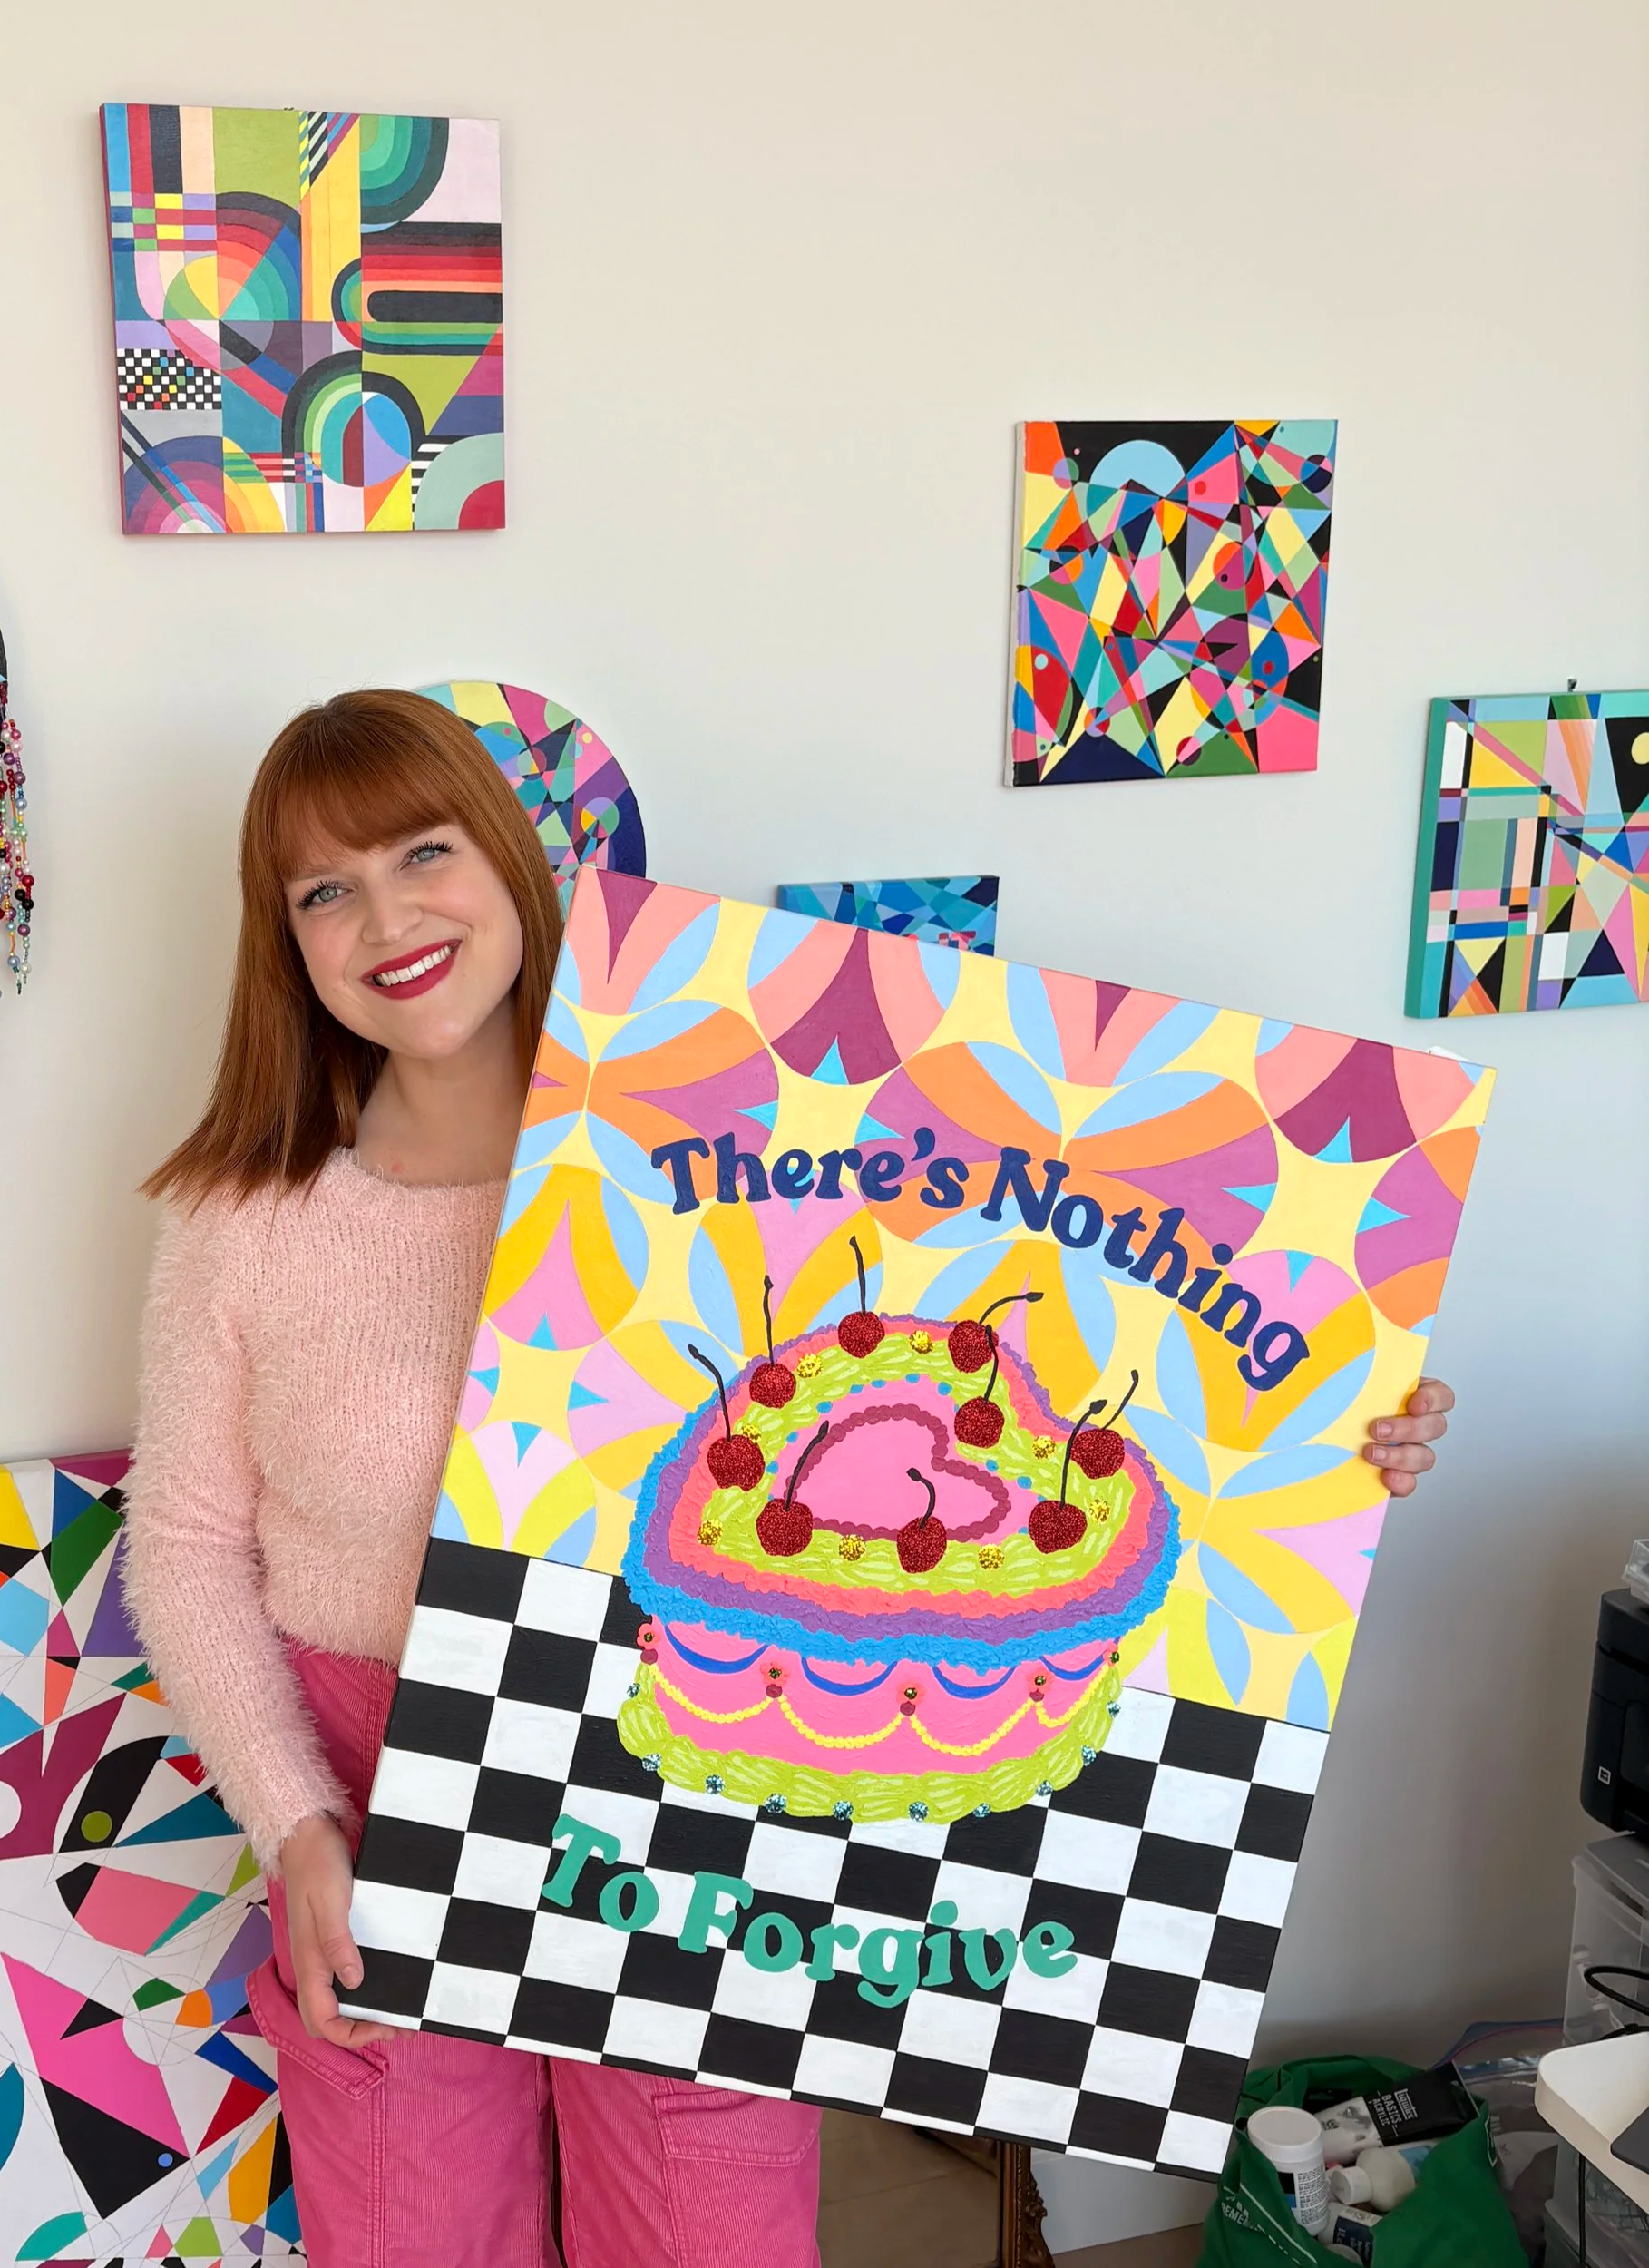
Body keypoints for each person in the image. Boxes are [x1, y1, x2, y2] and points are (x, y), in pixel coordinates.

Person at [123, 690, 1456, 2268]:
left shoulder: (740, 1143)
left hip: (689, 1762)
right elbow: (190, 1546)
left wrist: (1324, 1431)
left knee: (707, 2229)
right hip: (376, 1777)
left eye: (424, 852)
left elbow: (1029, 1354)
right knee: (415, 2230)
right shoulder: (246, 1215)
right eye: (323, 889)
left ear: (507, 859)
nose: (388, 917)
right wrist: (295, 1824)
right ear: (282, 943)